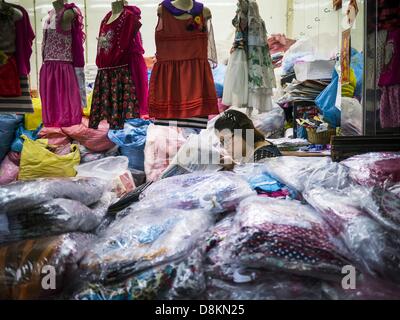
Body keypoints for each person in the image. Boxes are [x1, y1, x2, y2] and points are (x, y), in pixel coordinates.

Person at [214, 109, 281, 166]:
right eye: (222, 142)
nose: (225, 146)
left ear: (243, 133)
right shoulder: (254, 150)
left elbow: (258, 179)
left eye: (227, 139)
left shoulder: (263, 156)